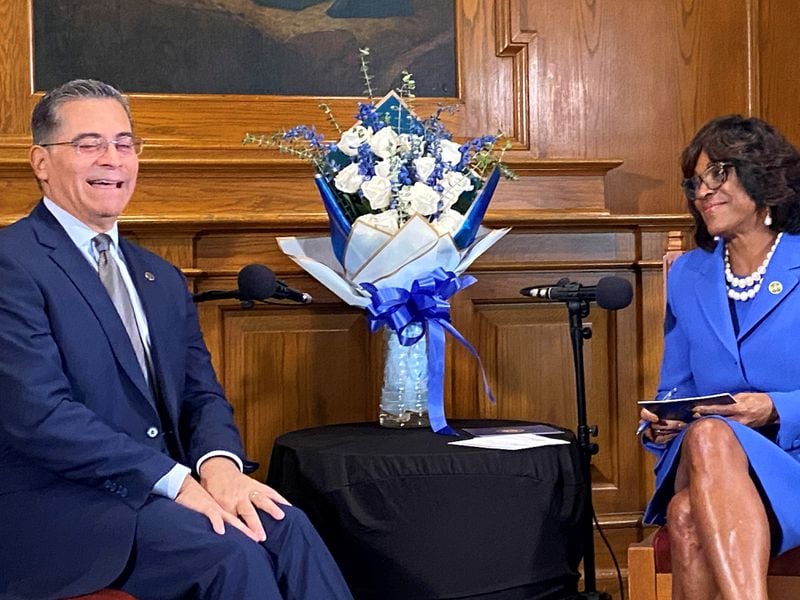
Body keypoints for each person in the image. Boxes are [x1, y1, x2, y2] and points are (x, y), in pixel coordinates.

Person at [0, 79, 353, 600]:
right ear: (41, 162)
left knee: (289, 528)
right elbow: (40, 416)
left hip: (161, 494)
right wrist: (176, 480)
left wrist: (218, 468)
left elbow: (200, 395)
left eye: (124, 143)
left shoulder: (159, 277)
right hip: (63, 508)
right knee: (229, 553)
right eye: (89, 144)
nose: (112, 159)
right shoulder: (13, 262)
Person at [639, 114, 800, 600]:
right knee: (708, 434)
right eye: (695, 181)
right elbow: (676, 387)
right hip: (703, 452)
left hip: (791, 459)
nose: (703, 191)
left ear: (764, 178)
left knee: (686, 515)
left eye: (719, 174)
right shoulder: (689, 274)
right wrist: (659, 422)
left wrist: (775, 408)